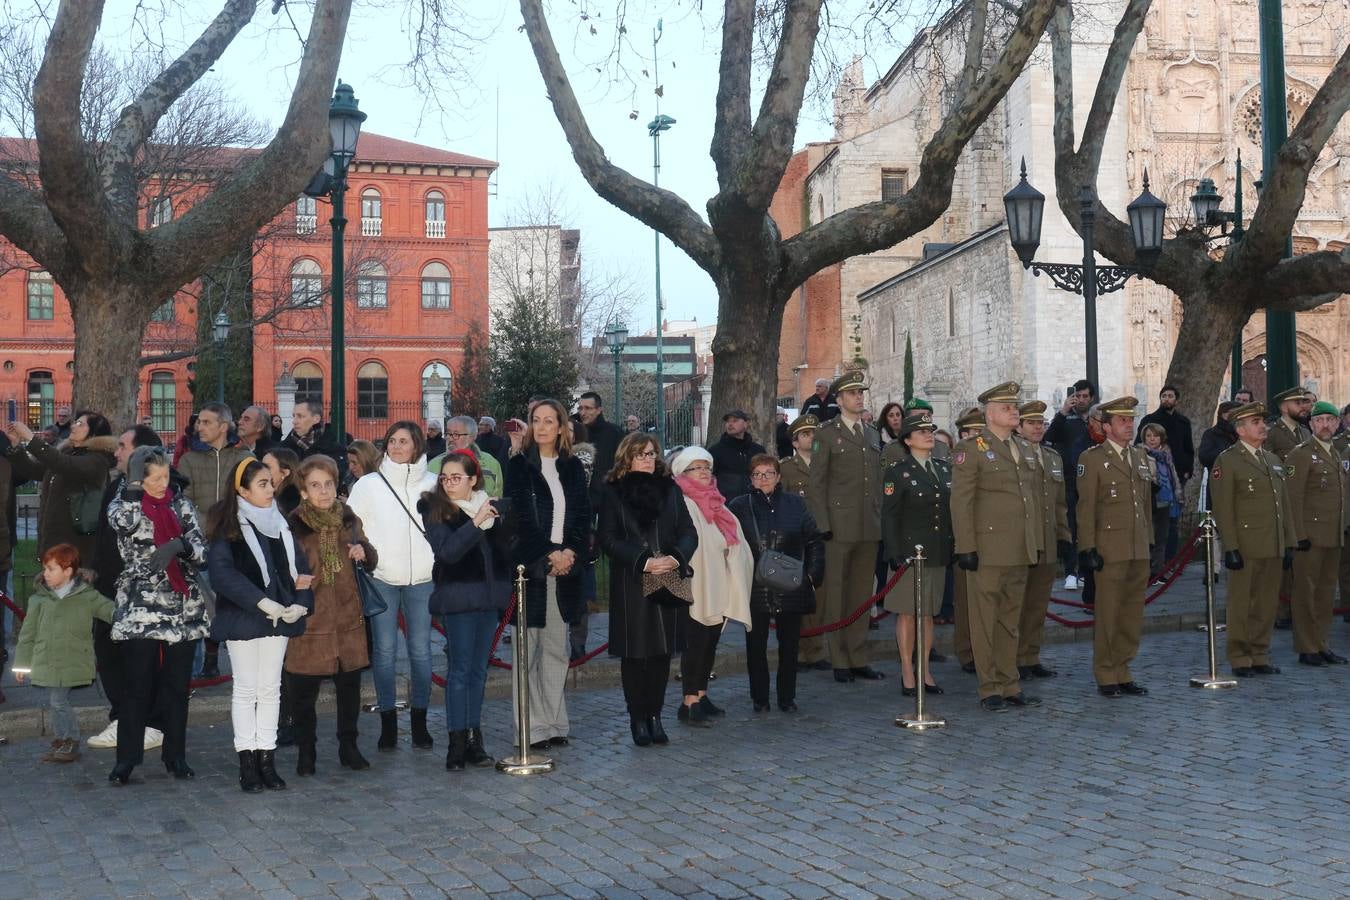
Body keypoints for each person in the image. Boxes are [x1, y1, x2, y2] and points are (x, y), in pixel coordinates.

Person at [207, 458, 314, 792]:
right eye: (263, 484)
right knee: (246, 689)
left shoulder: (280, 524)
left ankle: (267, 758)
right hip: (245, 618)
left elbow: (300, 570)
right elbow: (223, 575)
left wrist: (300, 604)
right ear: (242, 490)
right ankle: (247, 761)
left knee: (270, 689)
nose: (271, 490)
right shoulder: (229, 527)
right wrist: (261, 601)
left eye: (271, 483)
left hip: (279, 617)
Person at [106, 446, 211, 785]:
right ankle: (127, 759)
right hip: (142, 607)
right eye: (152, 479)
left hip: (182, 608)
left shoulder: (180, 504)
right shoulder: (125, 503)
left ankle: (175, 755)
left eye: (164, 477)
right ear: (138, 477)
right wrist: (136, 493)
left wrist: (181, 546)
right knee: (136, 685)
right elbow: (121, 523)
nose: (160, 484)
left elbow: (201, 549)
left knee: (177, 686)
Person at [598, 433, 697, 746]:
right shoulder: (612, 492)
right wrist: (642, 561)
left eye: (652, 454)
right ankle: (638, 718)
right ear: (627, 457)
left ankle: (655, 715)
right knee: (635, 654)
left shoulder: (671, 490)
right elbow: (608, 539)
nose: (647, 459)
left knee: (662, 654)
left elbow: (688, 532)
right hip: (632, 581)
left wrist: (674, 558)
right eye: (640, 454)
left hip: (667, 577)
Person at [951, 382, 1043, 711]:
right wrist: (966, 546)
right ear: (990, 414)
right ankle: (989, 686)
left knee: (1009, 620)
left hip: (1019, 548)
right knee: (984, 620)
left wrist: (1034, 542)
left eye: (1015, 406)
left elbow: (1028, 501)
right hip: (987, 549)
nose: (1014, 411)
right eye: (1007, 407)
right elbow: (961, 502)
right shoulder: (972, 448)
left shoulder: (1023, 448)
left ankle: (1010, 682)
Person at [346, 421, 437, 752]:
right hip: (381, 577)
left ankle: (420, 722)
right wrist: (359, 547)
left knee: (421, 652)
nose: (397, 447)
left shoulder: (432, 483)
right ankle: (387, 721)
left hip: (423, 580)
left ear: (417, 445)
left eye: (404, 441)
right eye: (393, 441)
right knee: (384, 652)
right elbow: (351, 523)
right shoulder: (370, 484)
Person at [506, 399, 591, 749]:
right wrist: (549, 553)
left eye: (549, 421)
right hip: (532, 568)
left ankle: (554, 722)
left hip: (565, 567)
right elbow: (518, 521)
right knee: (527, 652)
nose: (541, 427)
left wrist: (570, 552)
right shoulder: (518, 467)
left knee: (557, 649)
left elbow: (583, 516)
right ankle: (530, 727)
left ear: (561, 427)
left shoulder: (572, 468)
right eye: (536, 420)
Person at [285, 455, 376, 776]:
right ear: (304, 491)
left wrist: (364, 553)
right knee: (303, 694)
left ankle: (348, 746)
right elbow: (283, 569)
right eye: (315, 486)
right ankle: (305, 751)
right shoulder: (293, 525)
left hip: (347, 619)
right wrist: (295, 579)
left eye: (328, 484)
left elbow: (369, 552)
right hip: (311, 620)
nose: (323, 491)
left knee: (349, 689)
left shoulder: (348, 519)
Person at [422, 451, 512, 770]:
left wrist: (501, 522)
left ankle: (475, 739)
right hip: (458, 599)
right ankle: (456, 743)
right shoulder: (435, 510)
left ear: (473, 479)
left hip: (487, 599)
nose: (449, 483)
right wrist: (475, 523)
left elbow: (501, 551)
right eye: (444, 478)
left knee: (478, 670)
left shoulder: (488, 505)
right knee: (459, 670)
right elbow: (448, 552)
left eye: (456, 477)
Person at [88, 425, 167, 752]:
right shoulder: (117, 484)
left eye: (122, 446)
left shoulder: (158, 489)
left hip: (138, 591)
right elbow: (106, 533)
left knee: (137, 658)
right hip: (109, 588)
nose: (116, 451)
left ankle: (146, 722)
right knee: (108, 652)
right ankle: (122, 715)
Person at [728, 454, 824, 712]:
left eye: (768, 473)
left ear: (779, 476)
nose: (763, 479)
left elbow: (814, 540)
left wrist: (812, 576)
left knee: (790, 645)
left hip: (789, 584)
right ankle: (760, 698)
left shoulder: (796, 504)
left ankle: (786, 696)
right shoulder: (738, 506)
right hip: (754, 586)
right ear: (750, 478)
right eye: (757, 474)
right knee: (755, 646)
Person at [807, 372, 885, 683]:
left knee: (861, 595)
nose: (858, 397)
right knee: (837, 594)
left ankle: (858, 656)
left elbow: (876, 483)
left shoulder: (871, 434)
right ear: (838, 400)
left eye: (860, 393)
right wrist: (823, 524)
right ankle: (839, 659)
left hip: (868, 526)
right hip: (838, 527)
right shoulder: (826, 433)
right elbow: (817, 484)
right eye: (852, 393)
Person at [1075, 398, 1153, 698]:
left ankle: (1124, 668)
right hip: (1109, 547)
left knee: (1132, 613)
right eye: (1122, 421)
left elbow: (1144, 504)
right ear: (1106, 426)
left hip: (1137, 546)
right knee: (1108, 613)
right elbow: (1086, 507)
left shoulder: (1139, 456)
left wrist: (1150, 543)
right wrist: (1088, 548)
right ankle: (1106, 673)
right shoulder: (1092, 458)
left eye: (1131, 420)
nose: (1129, 425)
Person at [669, 446, 753, 726]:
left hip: (718, 580)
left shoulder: (718, 503)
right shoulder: (682, 502)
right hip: (697, 582)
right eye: (696, 468)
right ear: (683, 473)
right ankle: (688, 702)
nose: (704, 472)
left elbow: (732, 537)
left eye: (706, 467)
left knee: (710, 642)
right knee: (695, 643)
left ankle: (702, 694)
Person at [1211, 402, 1293, 677]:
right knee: (1242, 603)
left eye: (1263, 421)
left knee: (1267, 602)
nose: (1263, 426)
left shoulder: (1272, 460)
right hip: (1246, 545)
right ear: (1241, 429)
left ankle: (1259, 652)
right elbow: (1223, 507)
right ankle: (1239, 656)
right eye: (1256, 422)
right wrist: (1231, 547)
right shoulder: (1228, 460)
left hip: (1272, 543)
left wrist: (1288, 541)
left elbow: (1284, 506)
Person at [11, 544, 114, 763]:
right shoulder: (39, 600)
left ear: (67, 571)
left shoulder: (87, 596)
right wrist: (21, 664)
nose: (45, 574)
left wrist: (133, 615)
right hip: (47, 659)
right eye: (45, 569)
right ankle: (62, 739)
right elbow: (27, 634)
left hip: (73, 659)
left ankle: (71, 740)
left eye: (51, 569)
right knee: (55, 701)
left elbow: (110, 611)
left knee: (58, 701)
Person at [177, 402, 253, 679]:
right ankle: (205, 661)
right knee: (205, 601)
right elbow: (184, 501)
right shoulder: (188, 460)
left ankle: (236, 658)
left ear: (223, 426)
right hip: (203, 542)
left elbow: (249, 496)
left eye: (206, 422)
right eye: (199, 422)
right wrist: (209, 526)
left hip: (236, 541)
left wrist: (231, 524)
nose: (200, 427)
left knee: (233, 603)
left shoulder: (243, 458)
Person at [880, 412, 952, 695]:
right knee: (908, 614)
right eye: (921, 432)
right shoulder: (897, 472)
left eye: (930, 430)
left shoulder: (944, 469)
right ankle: (907, 670)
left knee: (928, 615)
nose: (928, 434)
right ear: (907, 440)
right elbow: (890, 516)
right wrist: (895, 551)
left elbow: (948, 512)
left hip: (935, 550)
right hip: (909, 554)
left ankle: (925, 669)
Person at [1284, 401, 1348, 667]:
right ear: (1311, 425)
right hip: (1309, 537)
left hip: (1333, 535)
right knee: (1305, 593)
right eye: (1319, 420)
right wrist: (1298, 535)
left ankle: (1322, 643)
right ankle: (1306, 646)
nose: (1325, 425)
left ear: (1337, 424)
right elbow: (1292, 497)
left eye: (1330, 421)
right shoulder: (1301, 454)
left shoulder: (1335, 453)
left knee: (1324, 594)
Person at [5, 411, 116, 563]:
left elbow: (63, 464)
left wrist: (31, 438)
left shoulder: (97, 461)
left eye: (80, 424)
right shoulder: (68, 453)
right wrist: (16, 448)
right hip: (54, 540)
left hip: (75, 547)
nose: (73, 426)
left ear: (94, 433)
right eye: (75, 422)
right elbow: (34, 470)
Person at [1015, 401, 1070, 680]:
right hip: (1023, 541)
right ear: (1019, 426)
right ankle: (1013, 657)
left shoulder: (1052, 457)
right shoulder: (1013, 455)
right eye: (1031, 423)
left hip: (1047, 539)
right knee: (1018, 604)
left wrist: (1063, 534)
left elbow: (1058, 503)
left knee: (1038, 604)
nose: (1038, 428)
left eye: (1041, 423)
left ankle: (1031, 655)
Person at [780, 415, 829, 672]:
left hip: (821, 538)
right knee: (795, 598)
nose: (812, 437)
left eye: (814, 432)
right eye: (806, 434)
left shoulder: (826, 464)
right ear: (796, 442)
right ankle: (796, 651)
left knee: (818, 597)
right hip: (796, 541)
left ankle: (815, 651)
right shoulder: (786, 468)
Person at [1045, 379, 1096, 591]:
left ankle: (1086, 569)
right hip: (1068, 479)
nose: (1082, 400)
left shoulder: (1096, 419)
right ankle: (1070, 571)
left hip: (1091, 480)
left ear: (1091, 398)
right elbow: (1049, 437)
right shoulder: (1064, 419)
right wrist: (1064, 411)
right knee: (1069, 527)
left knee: (1088, 525)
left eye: (1085, 396)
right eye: (1079, 396)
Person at [1140, 423, 1182, 579]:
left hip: (1166, 499)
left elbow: (1173, 477)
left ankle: (1158, 570)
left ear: (1161, 438)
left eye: (1155, 436)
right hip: (1150, 499)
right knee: (1149, 536)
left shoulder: (1166, 454)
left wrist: (1177, 495)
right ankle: (1147, 569)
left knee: (1162, 537)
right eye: (1149, 436)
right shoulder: (1140, 453)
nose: (1152, 439)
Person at [429, 416, 504, 497]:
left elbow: (497, 497)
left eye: (456, 434)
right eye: (448, 434)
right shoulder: (434, 465)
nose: (450, 439)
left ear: (472, 437)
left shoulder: (491, 463)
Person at [1134, 385, 1194, 484]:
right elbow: (1138, 446)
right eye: (1164, 396)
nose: (1166, 399)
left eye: (1170, 396)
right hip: (1155, 473)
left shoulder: (1184, 422)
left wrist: (1187, 470)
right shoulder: (1149, 420)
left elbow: (1188, 448)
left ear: (1176, 400)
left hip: (1178, 473)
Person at [575, 392, 625, 504]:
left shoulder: (615, 433)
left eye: (588, 408)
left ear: (599, 410)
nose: (583, 412)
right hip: (581, 500)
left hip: (609, 499)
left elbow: (624, 463)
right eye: (580, 408)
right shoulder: (575, 433)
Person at [709, 410, 766, 500]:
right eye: (728, 421)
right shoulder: (715, 451)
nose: (730, 424)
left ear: (745, 424)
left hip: (754, 502)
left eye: (735, 421)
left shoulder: (758, 450)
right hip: (726, 505)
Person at [262, 448, 303, 516]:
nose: (260, 471)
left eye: (267, 467)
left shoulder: (293, 501)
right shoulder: (269, 496)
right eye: (260, 466)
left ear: (285, 472)